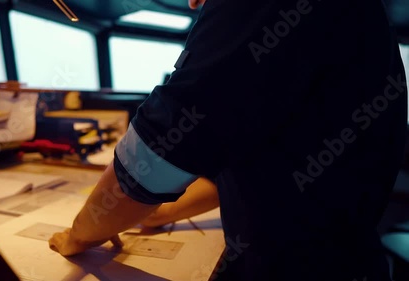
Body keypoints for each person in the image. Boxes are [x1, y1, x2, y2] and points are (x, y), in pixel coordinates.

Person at [49, 0, 408, 280]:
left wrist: (81, 234)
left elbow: (156, 156)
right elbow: (246, 148)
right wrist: (164, 212)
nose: (193, 5)